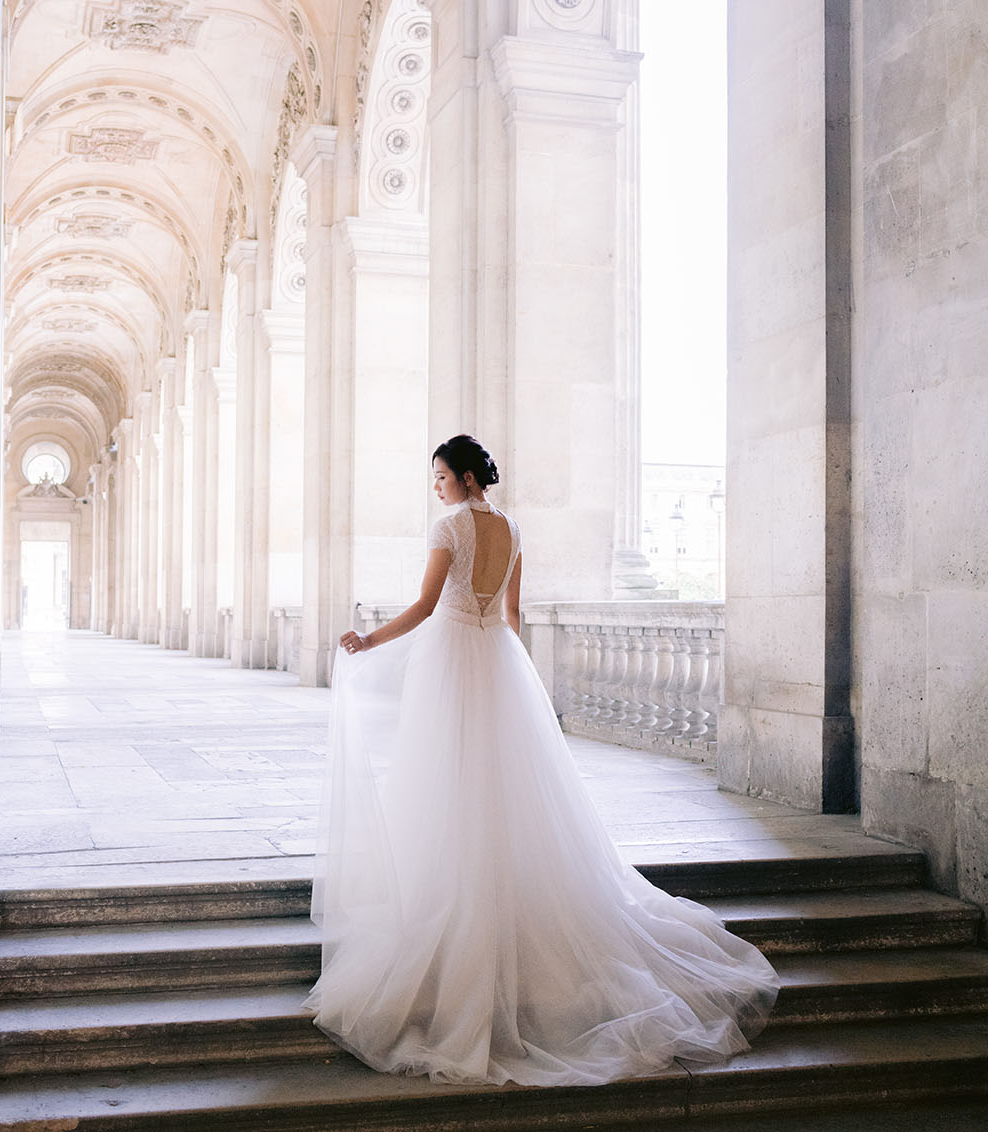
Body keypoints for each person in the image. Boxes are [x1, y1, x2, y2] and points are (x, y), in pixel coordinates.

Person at [303, 434, 778, 1086]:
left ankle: (457, 911)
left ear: (466, 477)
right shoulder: (515, 529)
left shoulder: (449, 527)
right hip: (499, 659)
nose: (436, 486)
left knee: (447, 786)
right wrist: (505, 673)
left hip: (453, 662)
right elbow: (512, 612)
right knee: (504, 790)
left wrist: (368, 640)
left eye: (441, 475)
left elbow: (422, 607)